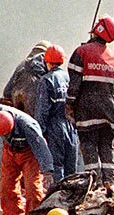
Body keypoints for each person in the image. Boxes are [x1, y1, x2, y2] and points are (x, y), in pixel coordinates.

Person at [68, 16, 114, 183]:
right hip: (110, 113)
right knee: (107, 147)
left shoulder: (82, 52)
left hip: (87, 111)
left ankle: (95, 184)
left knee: (89, 145)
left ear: (96, 30)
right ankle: (111, 183)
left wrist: (69, 105)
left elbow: (73, 86)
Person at [35, 44, 80, 186]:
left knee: (56, 166)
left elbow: (43, 110)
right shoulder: (69, 78)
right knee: (71, 168)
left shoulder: (46, 80)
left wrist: (39, 134)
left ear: (46, 62)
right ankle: (71, 200)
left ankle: (57, 200)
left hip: (55, 127)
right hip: (71, 127)